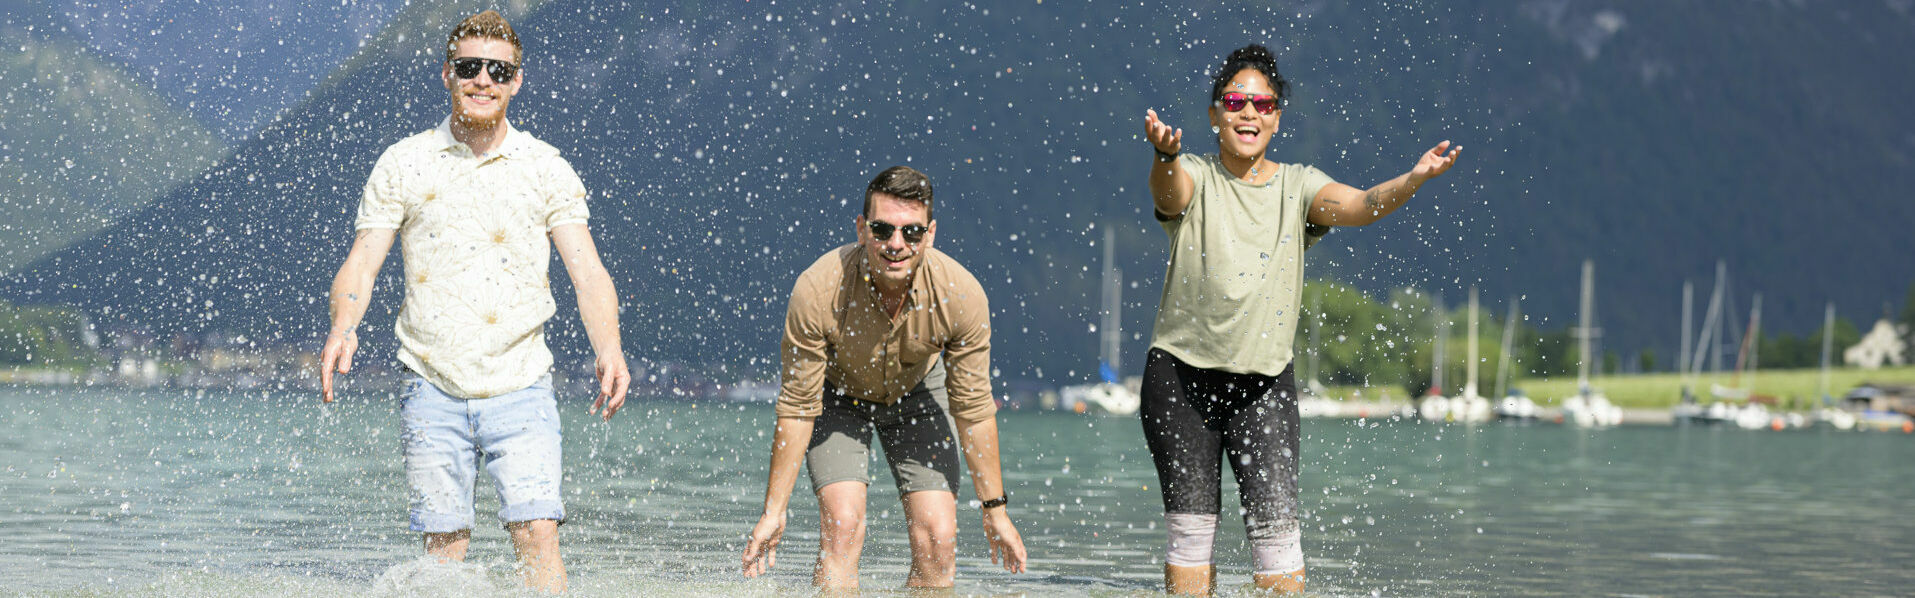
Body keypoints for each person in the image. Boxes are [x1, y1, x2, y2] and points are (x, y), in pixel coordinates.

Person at [316, 10, 630, 594]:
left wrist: (609, 347)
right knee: (444, 552)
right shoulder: (404, 162)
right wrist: (345, 325)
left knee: (539, 535)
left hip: (522, 381)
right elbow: (363, 260)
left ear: (516, 81)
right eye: (469, 67)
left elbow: (587, 272)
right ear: (447, 75)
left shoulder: (545, 166)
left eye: (497, 70)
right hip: (429, 381)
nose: (483, 80)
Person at [1138, 44, 1460, 595]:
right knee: (1191, 542)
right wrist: (1164, 157)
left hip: (1266, 385)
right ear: (1214, 114)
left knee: (1279, 548)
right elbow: (1169, 195)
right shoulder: (1193, 172)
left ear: (1277, 117)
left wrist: (1412, 180)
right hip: (1180, 379)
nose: (1249, 113)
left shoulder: (1299, 185)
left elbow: (1360, 205)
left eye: (1262, 104)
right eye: (1235, 101)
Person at [740, 166, 1028, 589]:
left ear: (930, 234)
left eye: (911, 233)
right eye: (882, 229)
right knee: (842, 527)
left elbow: (973, 410)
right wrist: (774, 511)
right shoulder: (817, 289)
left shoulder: (962, 295)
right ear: (861, 230)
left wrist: (995, 510)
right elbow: (799, 408)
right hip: (837, 396)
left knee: (938, 540)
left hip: (918, 394)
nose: (897, 245)